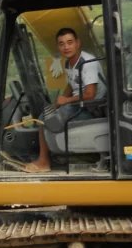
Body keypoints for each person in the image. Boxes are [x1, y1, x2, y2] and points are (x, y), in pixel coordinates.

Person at [26, 28, 106, 171]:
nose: (66, 47)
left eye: (70, 42)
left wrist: (66, 101)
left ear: (77, 43)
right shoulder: (69, 62)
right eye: (61, 44)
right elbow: (72, 83)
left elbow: (90, 94)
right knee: (45, 114)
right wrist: (58, 101)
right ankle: (53, 156)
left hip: (92, 107)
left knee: (45, 119)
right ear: (58, 47)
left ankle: (44, 162)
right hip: (78, 103)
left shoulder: (87, 63)